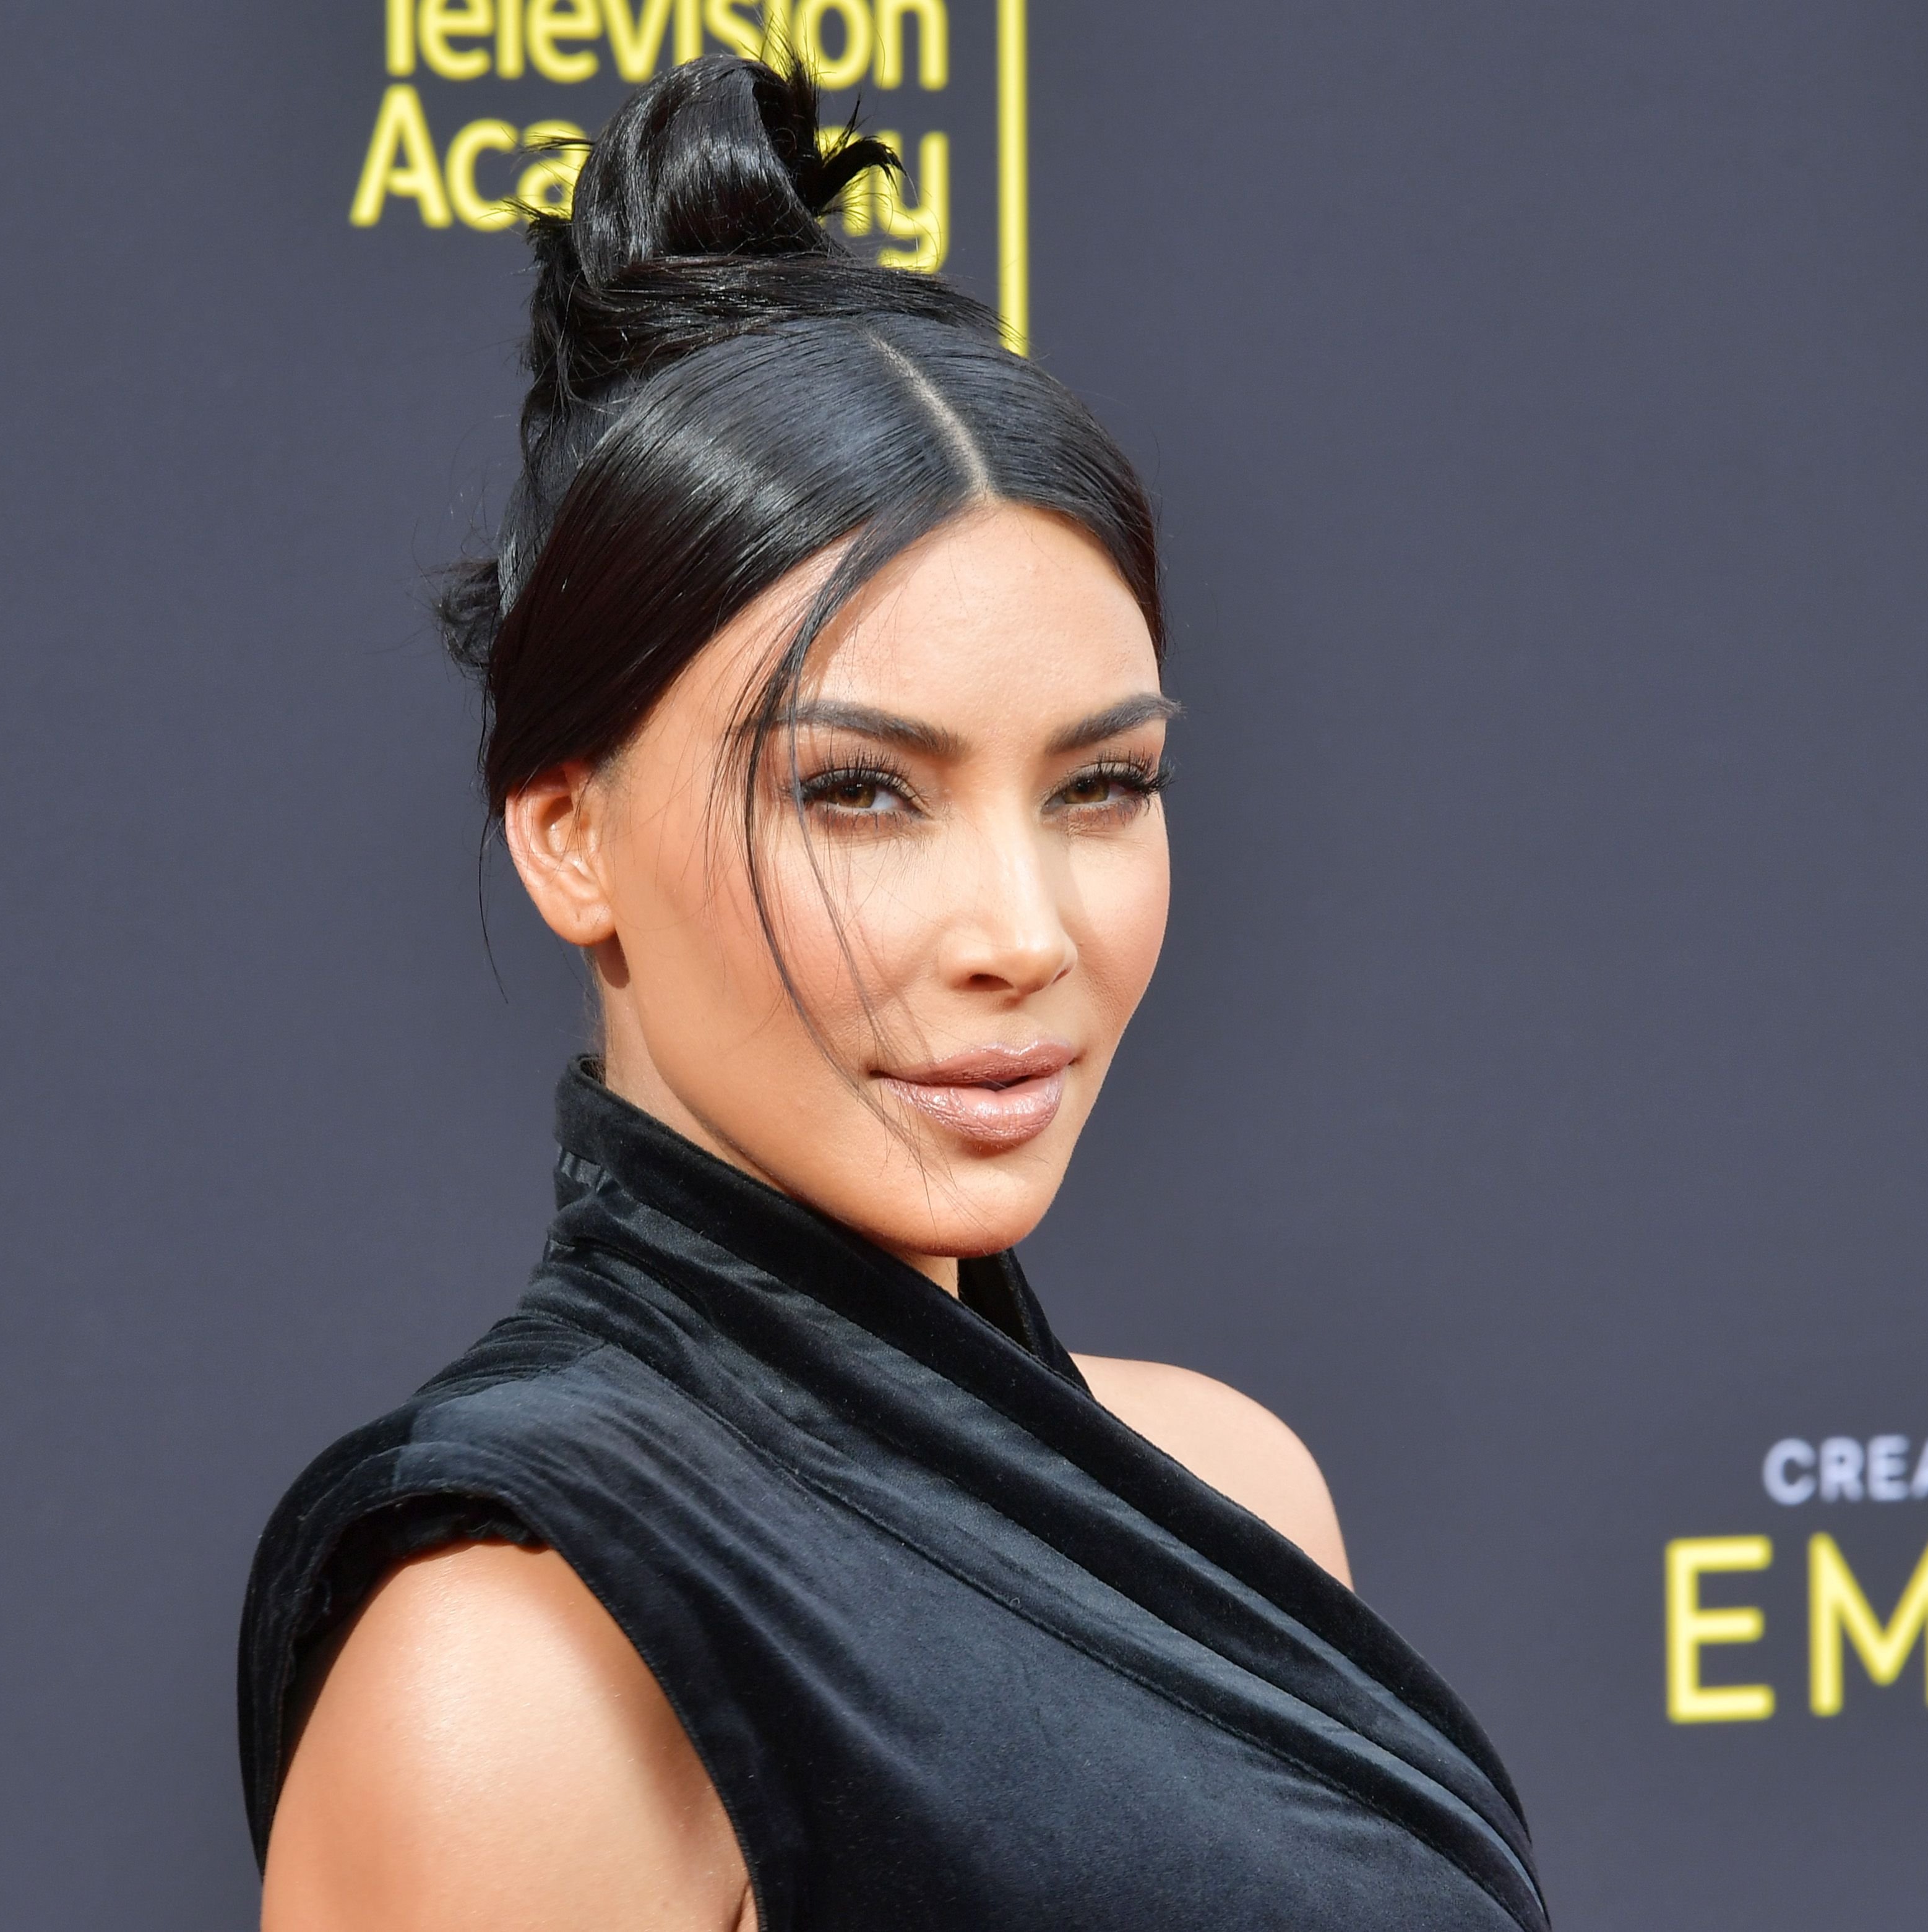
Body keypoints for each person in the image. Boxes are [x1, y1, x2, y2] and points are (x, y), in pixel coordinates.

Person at [239, 56, 1545, 1932]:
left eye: (1100, 785)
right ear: (564, 834)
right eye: (859, 790)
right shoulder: (516, 1671)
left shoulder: (1232, 1486)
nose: (1018, 927)